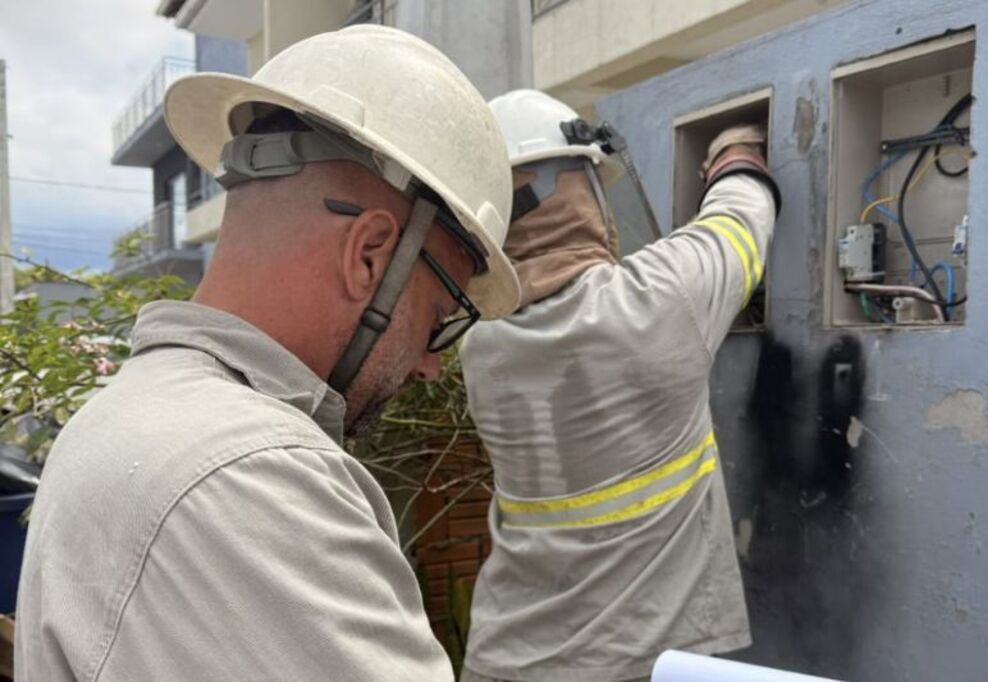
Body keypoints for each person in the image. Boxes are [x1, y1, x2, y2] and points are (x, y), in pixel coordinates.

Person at [15, 26, 520, 681]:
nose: (430, 365)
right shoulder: (257, 475)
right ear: (369, 256)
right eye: (438, 320)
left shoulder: (120, 418)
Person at [457, 89, 781, 682]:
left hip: (505, 657)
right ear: (581, 193)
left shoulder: (480, 347)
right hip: (629, 663)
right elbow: (741, 219)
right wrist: (735, 149)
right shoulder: (656, 299)